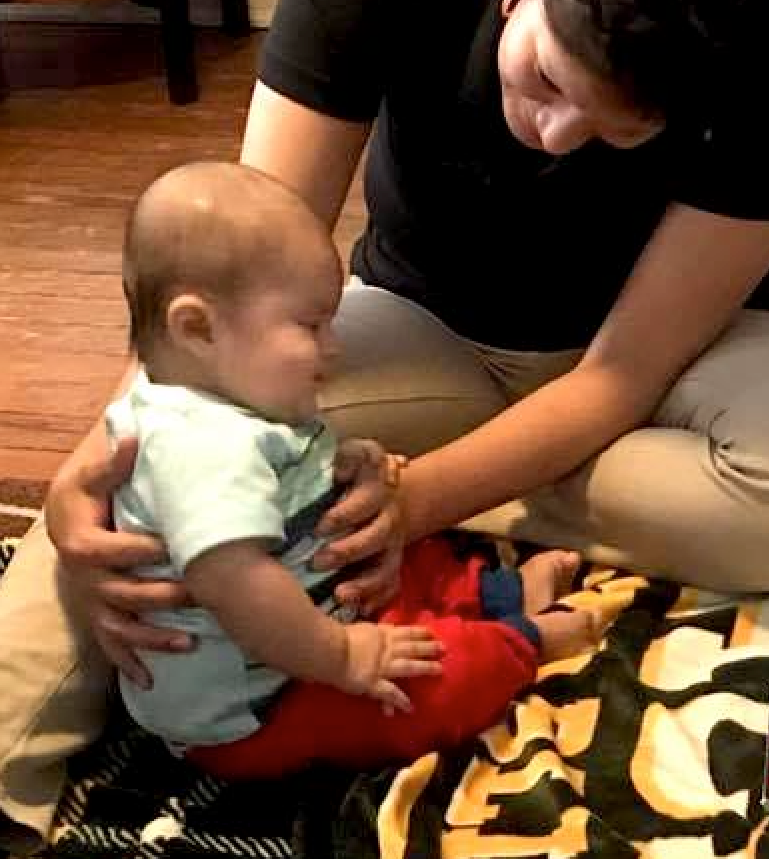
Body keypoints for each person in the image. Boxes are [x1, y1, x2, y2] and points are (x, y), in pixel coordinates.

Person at [0, 0, 769, 855]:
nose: (555, 139)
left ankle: (422, 500)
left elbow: (621, 370)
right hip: (424, 326)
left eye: (615, 131)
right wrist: (97, 465)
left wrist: (418, 493)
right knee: (159, 477)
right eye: (548, 82)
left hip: (678, 352)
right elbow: (221, 314)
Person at [108, 162, 596, 780]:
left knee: (395, 545)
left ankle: (492, 594)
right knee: (430, 687)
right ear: (198, 326)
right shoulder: (200, 453)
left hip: (306, 615)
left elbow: (285, 478)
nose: (333, 348)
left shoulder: (202, 392)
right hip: (264, 704)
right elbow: (242, 594)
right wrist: (343, 656)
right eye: (311, 327)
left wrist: (346, 460)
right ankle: (520, 641)